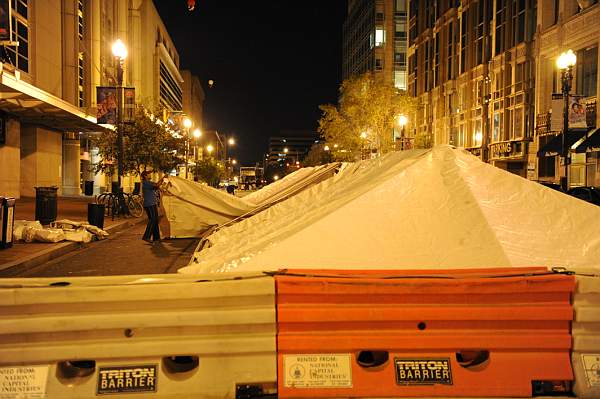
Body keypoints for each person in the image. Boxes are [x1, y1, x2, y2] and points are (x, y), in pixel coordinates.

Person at [141, 171, 161, 243]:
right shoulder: (146, 182)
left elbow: (157, 186)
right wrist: (163, 178)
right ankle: (146, 236)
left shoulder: (148, 182)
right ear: (145, 176)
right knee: (153, 219)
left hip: (152, 203)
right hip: (149, 204)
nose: (150, 175)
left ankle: (156, 238)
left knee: (155, 220)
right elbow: (157, 185)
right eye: (149, 174)